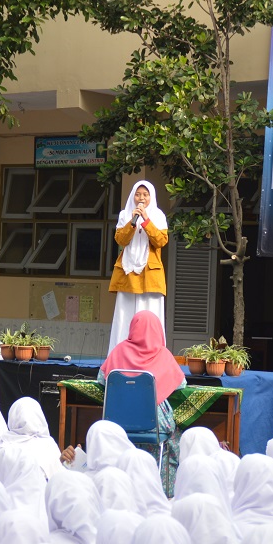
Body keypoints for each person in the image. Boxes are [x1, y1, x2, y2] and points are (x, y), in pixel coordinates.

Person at [64, 310, 185, 494]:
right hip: (153, 424)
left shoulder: (118, 350)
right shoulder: (164, 355)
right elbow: (180, 383)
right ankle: (162, 488)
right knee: (174, 434)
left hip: (118, 422)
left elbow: (103, 380)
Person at [107, 180, 168, 354]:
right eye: (138, 194)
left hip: (150, 276)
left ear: (151, 197)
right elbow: (120, 240)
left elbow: (161, 241)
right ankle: (119, 355)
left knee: (150, 317)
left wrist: (146, 220)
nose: (141, 198)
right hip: (127, 273)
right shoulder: (125, 215)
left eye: (145, 195)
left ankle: (152, 355)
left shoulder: (158, 215)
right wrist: (132, 222)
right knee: (124, 318)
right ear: (133, 196)